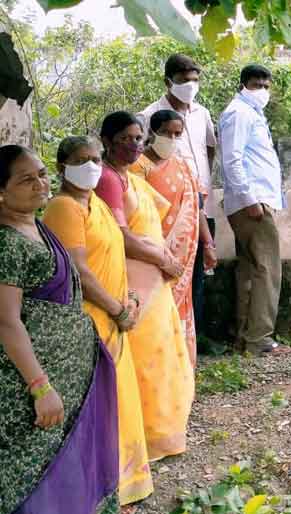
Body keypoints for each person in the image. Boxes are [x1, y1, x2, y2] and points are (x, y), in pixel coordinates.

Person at [0, 145, 118, 514]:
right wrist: (40, 386)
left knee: (66, 464)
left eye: (41, 174)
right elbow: (6, 321)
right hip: (30, 386)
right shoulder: (7, 244)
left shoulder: (36, 225)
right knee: (32, 474)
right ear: (1, 191)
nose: (40, 184)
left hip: (67, 375)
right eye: (26, 180)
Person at [42, 136, 155, 507]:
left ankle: (121, 482)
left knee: (115, 401)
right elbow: (79, 270)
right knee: (96, 406)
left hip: (112, 315)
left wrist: (129, 299)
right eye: (81, 160)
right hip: (90, 321)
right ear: (61, 167)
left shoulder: (96, 204)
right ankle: (98, 487)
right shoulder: (64, 207)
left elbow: (113, 257)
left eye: (95, 158)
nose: (91, 166)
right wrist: (117, 309)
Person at [95, 111, 194, 462]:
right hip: (134, 280)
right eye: (125, 139)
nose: (134, 145)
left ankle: (163, 434)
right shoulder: (108, 179)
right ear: (106, 141)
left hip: (152, 278)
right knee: (146, 361)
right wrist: (164, 260)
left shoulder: (129, 177)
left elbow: (151, 228)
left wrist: (164, 258)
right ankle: (144, 439)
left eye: (138, 138)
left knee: (161, 357)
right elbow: (122, 236)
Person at [138, 53, 217, 345]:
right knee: (162, 277)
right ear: (168, 81)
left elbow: (210, 149)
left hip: (199, 206)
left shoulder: (202, 114)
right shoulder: (149, 115)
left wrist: (195, 185)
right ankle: (162, 342)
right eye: (184, 80)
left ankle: (189, 342)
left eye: (195, 80)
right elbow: (142, 159)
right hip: (162, 212)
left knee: (196, 278)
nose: (190, 86)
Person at [131, 110, 218, 366]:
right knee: (154, 306)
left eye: (177, 134)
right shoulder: (137, 167)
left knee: (182, 305)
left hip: (184, 256)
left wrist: (208, 243)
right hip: (151, 252)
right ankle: (156, 367)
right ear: (152, 131)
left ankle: (180, 367)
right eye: (166, 132)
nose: (171, 138)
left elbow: (197, 208)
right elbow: (135, 213)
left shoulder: (182, 164)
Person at [219, 64, 289, 355]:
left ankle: (245, 337)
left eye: (265, 86)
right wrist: (250, 200)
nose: (262, 91)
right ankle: (260, 339)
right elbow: (231, 159)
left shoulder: (250, 113)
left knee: (250, 269)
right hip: (252, 203)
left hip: (255, 201)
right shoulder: (239, 113)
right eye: (256, 85)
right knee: (267, 270)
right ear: (242, 86)